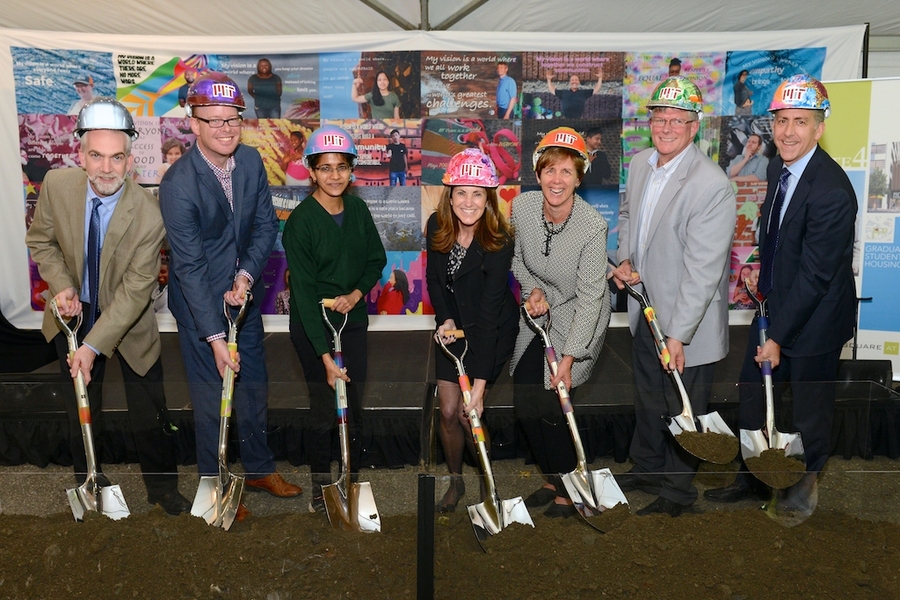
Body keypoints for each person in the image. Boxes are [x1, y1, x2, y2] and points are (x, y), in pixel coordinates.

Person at [25, 97, 190, 515]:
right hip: (73, 317)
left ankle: (163, 488)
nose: (106, 168)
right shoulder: (57, 186)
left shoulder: (150, 215)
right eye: (96, 155)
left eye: (117, 157)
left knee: (149, 409)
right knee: (82, 405)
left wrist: (93, 346)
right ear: (80, 154)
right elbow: (40, 241)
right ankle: (89, 481)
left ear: (130, 158)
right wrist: (62, 287)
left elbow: (136, 291)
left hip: (128, 322)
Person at [705, 75, 857, 510]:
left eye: (801, 122)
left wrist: (776, 339)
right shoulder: (778, 166)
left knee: (810, 415)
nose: (788, 131)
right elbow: (775, 233)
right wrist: (760, 267)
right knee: (752, 395)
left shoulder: (831, 191)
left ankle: (800, 496)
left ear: (819, 128)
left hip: (816, 320)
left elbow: (816, 276)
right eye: (782, 121)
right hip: (776, 306)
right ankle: (753, 482)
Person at [159, 72, 302, 522]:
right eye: (214, 120)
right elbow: (189, 268)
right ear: (194, 123)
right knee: (209, 398)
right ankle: (215, 485)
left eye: (233, 119)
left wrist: (244, 276)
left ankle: (258, 469)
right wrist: (216, 339)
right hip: (200, 305)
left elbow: (265, 227)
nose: (225, 128)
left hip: (243, 299)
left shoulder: (253, 163)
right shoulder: (179, 184)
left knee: (253, 386)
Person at [611, 77, 736, 517]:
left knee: (684, 404)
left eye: (676, 120)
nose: (665, 127)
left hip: (687, 325)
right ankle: (646, 467)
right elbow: (628, 215)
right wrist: (626, 259)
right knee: (647, 396)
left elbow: (704, 272)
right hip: (644, 309)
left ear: (694, 126)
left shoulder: (711, 184)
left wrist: (678, 335)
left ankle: (678, 491)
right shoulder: (643, 162)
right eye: (659, 118)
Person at [282, 125, 387, 514]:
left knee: (353, 404)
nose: (334, 175)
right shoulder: (300, 223)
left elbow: (376, 260)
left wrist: (356, 294)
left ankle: (352, 481)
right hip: (313, 325)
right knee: (325, 406)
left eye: (341, 167)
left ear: (351, 170)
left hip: (352, 320)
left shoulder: (358, 210)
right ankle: (319, 487)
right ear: (311, 172)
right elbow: (305, 295)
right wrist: (325, 358)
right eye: (325, 168)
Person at [510, 127, 611, 518]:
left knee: (555, 404)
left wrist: (568, 359)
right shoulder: (521, 208)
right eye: (550, 170)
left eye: (567, 172)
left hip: (577, 319)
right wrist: (534, 291)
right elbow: (517, 261)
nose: (557, 180)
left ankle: (570, 493)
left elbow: (591, 296)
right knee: (524, 398)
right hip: (538, 313)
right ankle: (554, 478)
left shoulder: (591, 226)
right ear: (537, 174)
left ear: (579, 177)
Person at [426, 148, 518, 512]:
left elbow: (489, 313)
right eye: (461, 192)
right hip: (454, 327)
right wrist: (445, 320)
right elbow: (435, 282)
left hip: (490, 329)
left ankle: (486, 483)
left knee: (470, 412)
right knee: (448, 411)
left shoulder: (499, 240)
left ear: (489, 198)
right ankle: (455, 482)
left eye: (477, 193)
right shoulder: (437, 224)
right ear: (450, 195)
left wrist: (479, 386)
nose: (468, 202)